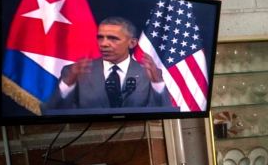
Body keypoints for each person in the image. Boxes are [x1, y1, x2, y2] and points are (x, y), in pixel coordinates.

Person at [43, 17, 172, 110]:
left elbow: (165, 112)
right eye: (100, 38)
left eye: (113, 38)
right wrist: (68, 84)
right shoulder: (74, 72)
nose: (104, 44)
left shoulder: (150, 74)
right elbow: (49, 110)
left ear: (132, 43)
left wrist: (157, 84)